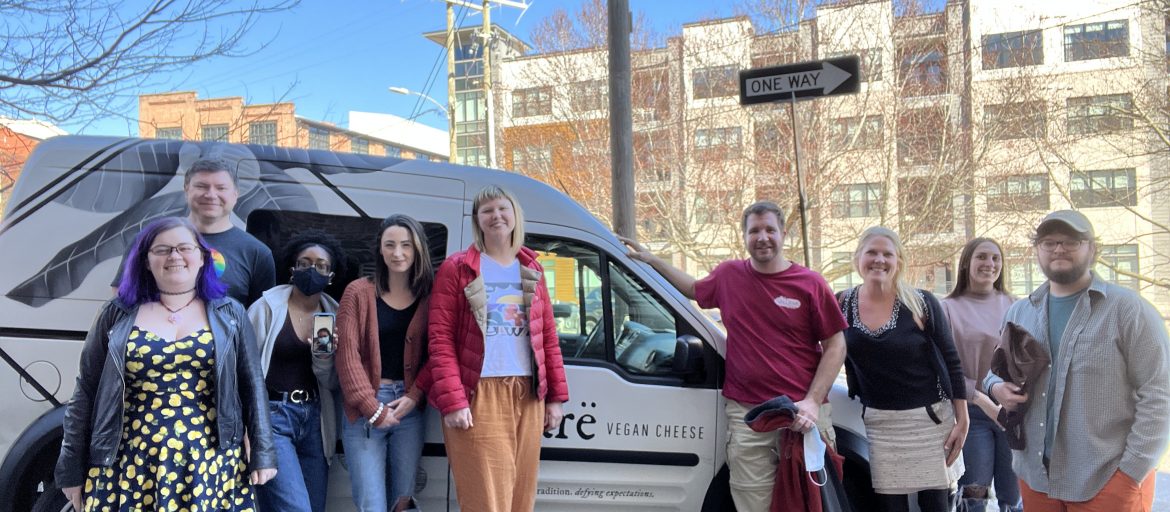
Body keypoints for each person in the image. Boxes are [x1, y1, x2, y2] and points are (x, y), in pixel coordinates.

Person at [621, 201, 847, 512]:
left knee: (812, 504)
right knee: (752, 503)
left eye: (770, 229)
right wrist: (651, 260)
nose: (762, 237)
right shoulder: (729, 276)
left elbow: (836, 345)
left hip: (803, 415)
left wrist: (812, 400)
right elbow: (692, 288)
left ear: (783, 233)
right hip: (748, 416)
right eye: (754, 230)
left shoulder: (810, 284)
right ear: (745, 236)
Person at [56, 216, 276, 511]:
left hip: (210, 464)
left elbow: (253, 385)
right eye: (162, 250)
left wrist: (263, 452)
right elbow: (85, 391)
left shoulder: (231, 313)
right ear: (146, 261)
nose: (174, 256)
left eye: (184, 248)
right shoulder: (116, 313)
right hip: (127, 465)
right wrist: (70, 468)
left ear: (202, 258)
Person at [985, 210, 1169, 512]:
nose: (1059, 248)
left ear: (1092, 249)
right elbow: (994, 372)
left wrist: (1131, 473)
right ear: (1037, 251)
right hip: (1037, 481)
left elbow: (1160, 395)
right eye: (1049, 242)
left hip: (1106, 480)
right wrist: (996, 389)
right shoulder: (1020, 312)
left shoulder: (1129, 311)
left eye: (1072, 241)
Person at [421, 186, 569, 512]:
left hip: (528, 394)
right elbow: (441, 340)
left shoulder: (533, 268)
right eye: (486, 210)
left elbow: (548, 337)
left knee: (520, 500)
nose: (496, 216)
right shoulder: (457, 268)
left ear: (515, 215)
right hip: (479, 393)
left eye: (502, 208)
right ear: (477, 220)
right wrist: (454, 402)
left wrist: (555, 397)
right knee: (485, 501)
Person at [839, 226, 968, 512]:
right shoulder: (842, 303)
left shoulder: (921, 303)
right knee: (890, 507)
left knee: (935, 505)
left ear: (899, 261)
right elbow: (825, 353)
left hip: (930, 420)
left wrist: (963, 419)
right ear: (858, 257)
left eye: (888, 254)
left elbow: (952, 361)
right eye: (871, 252)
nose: (879, 260)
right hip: (882, 423)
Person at [335, 214, 433, 512]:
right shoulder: (358, 292)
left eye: (406, 245)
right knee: (370, 503)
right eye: (389, 245)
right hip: (366, 408)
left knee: (402, 500)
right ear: (379, 249)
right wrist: (371, 407)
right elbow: (346, 355)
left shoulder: (430, 295)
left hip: (409, 409)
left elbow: (438, 354)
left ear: (418, 249)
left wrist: (415, 396)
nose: (398, 253)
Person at [247, 231, 346, 512]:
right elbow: (244, 369)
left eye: (321, 265)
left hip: (314, 420)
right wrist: (248, 428)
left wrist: (323, 355)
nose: (312, 270)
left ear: (331, 275)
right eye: (305, 263)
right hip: (273, 416)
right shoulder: (267, 308)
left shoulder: (333, 314)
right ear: (292, 269)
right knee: (295, 508)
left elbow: (330, 381)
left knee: (313, 507)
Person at [112, 158, 276, 306]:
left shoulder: (257, 253)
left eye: (221, 188)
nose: (211, 195)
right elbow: (121, 298)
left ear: (235, 195)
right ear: (186, 190)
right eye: (201, 186)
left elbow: (259, 318)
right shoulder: (149, 241)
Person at [941, 238, 1020, 512]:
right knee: (974, 495)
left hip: (1013, 415)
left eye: (996, 258)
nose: (990, 264)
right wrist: (976, 396)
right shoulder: (947, 308)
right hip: (971, 416)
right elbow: (941, 368)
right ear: (967, 263)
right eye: (982, 257)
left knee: (1015, 498)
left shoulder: (1016, 305)